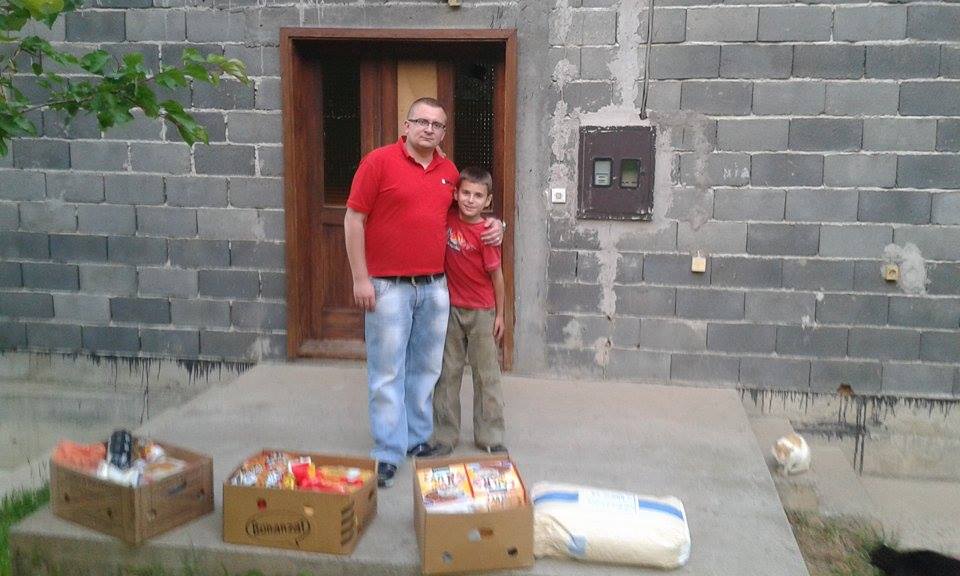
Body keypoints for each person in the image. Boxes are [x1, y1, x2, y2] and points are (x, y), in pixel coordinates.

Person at [344, 97, 503, 488]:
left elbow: (466, 212)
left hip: (434, 287)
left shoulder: (448, 171)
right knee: (387, 372)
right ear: (406, 126)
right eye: (422, 121)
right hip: (387, 287)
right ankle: (388, 451)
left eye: (437, 124)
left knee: (427, 370)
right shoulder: (378, 162)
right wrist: (360, 278)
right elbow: (353, 219)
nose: (429, 129)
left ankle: (417, 438)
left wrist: (496, 225)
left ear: (443, 132)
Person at [430, 167, 507, 457]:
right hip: (450, 310)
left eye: (477, 195)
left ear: (488, 201)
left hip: (482, 312)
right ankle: (444, 436)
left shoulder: (487, 234)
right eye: (465, 193)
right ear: (455, 194)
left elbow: (497, 277)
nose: (470, 200)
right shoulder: (448, 219)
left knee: (486, 375)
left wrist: (500, 315)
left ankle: (490, 436)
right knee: (447, 373)